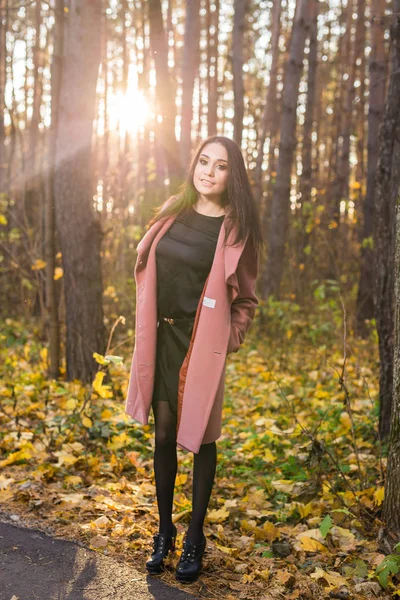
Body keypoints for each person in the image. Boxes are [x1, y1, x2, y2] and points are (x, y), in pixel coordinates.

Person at [125, 136, 263, 582]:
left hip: (201, 343)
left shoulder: (238, 230)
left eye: (220, 166)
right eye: (203, 162)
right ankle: (163, 532)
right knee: (163, 432)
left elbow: (247, 299)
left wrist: (231, 338)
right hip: (162, 336)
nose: (208, 171)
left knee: (202, 435)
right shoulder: (173, 210)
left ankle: (196, 536)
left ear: (231, 176)